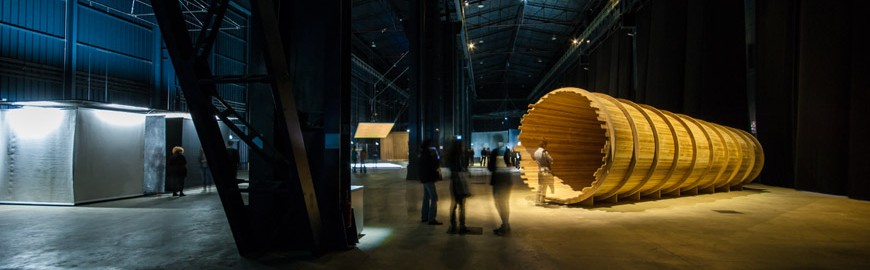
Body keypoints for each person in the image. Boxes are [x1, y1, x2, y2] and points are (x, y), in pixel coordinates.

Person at [488, 139, 513, 235]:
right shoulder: (507, 151)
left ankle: (505, 226)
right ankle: (505, 225)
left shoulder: (495, 152)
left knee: (499, 203)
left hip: (498, 179)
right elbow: (509, 164)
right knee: (505, 203)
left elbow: (490, 167)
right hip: (507, 179)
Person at [446, 140, 471, 234]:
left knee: (454, 204)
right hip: (459, 182)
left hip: (454, 182)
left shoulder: (451, 156)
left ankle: (453, 225)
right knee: (461, 205)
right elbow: (460, 169)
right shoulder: (459, 157)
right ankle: (461, 225)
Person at [419, 139, 443, 225]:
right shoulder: (428, 154)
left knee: (426, 197)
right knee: (434, 197)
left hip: (425, 178)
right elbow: (433, 165)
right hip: (429, 178)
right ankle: (432, 218)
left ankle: (424, 216)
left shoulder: (422, 154)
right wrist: (436, 157)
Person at [533, 141, 555, 205]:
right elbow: (551, 160)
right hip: (546, 170)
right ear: (544, 145)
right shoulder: (544, 152)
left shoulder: (535, 152)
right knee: (545, 185)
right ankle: (542, 199)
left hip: (540, 170)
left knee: (540, 185)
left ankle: (537, 199)